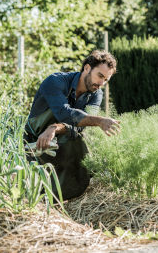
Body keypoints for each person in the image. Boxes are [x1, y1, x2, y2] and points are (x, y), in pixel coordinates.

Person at [24, 50, 121, 200]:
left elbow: (81, 126)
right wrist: (100, 121)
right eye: (100, 76)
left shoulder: (96, 94)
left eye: (106, 80)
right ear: (87, 68)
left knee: (84, 138)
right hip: (33, 138)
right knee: (32, 186)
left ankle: (62, 196)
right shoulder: (56, 81)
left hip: (62, 137)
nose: (101, 83)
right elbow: (64, 113)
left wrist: (55, 129)